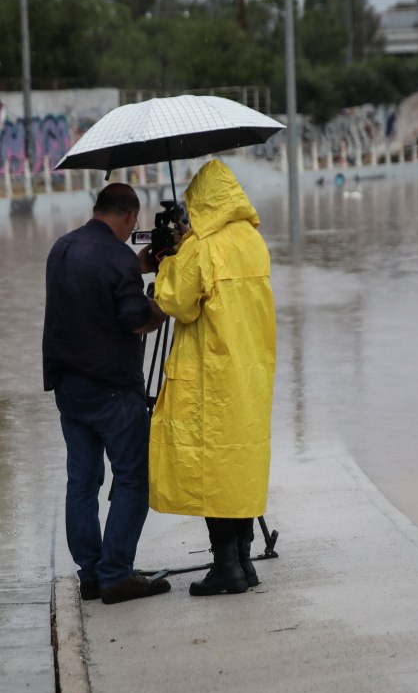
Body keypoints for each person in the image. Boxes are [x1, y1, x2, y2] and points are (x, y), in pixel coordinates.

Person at [148, 160, 277, 596]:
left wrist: (170, 261)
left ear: (201, 202)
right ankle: (243, 561)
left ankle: (226, 567)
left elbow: (176, 302)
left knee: (213, 467)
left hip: (211, 374)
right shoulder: (253, 241)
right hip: (250, 371)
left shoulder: (203, 247)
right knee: (239, 463)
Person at [43, 182, 170, 605]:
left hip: (68, 387)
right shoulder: (117, 258)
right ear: (131, 217)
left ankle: (92, 575)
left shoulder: (62, 248)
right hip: (114, 390)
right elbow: (136, 320)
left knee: (82, 482)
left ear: (98, 209)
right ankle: (117, 575)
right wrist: (164, 304)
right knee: (133, 480)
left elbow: (91, 295)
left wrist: (135, 267)